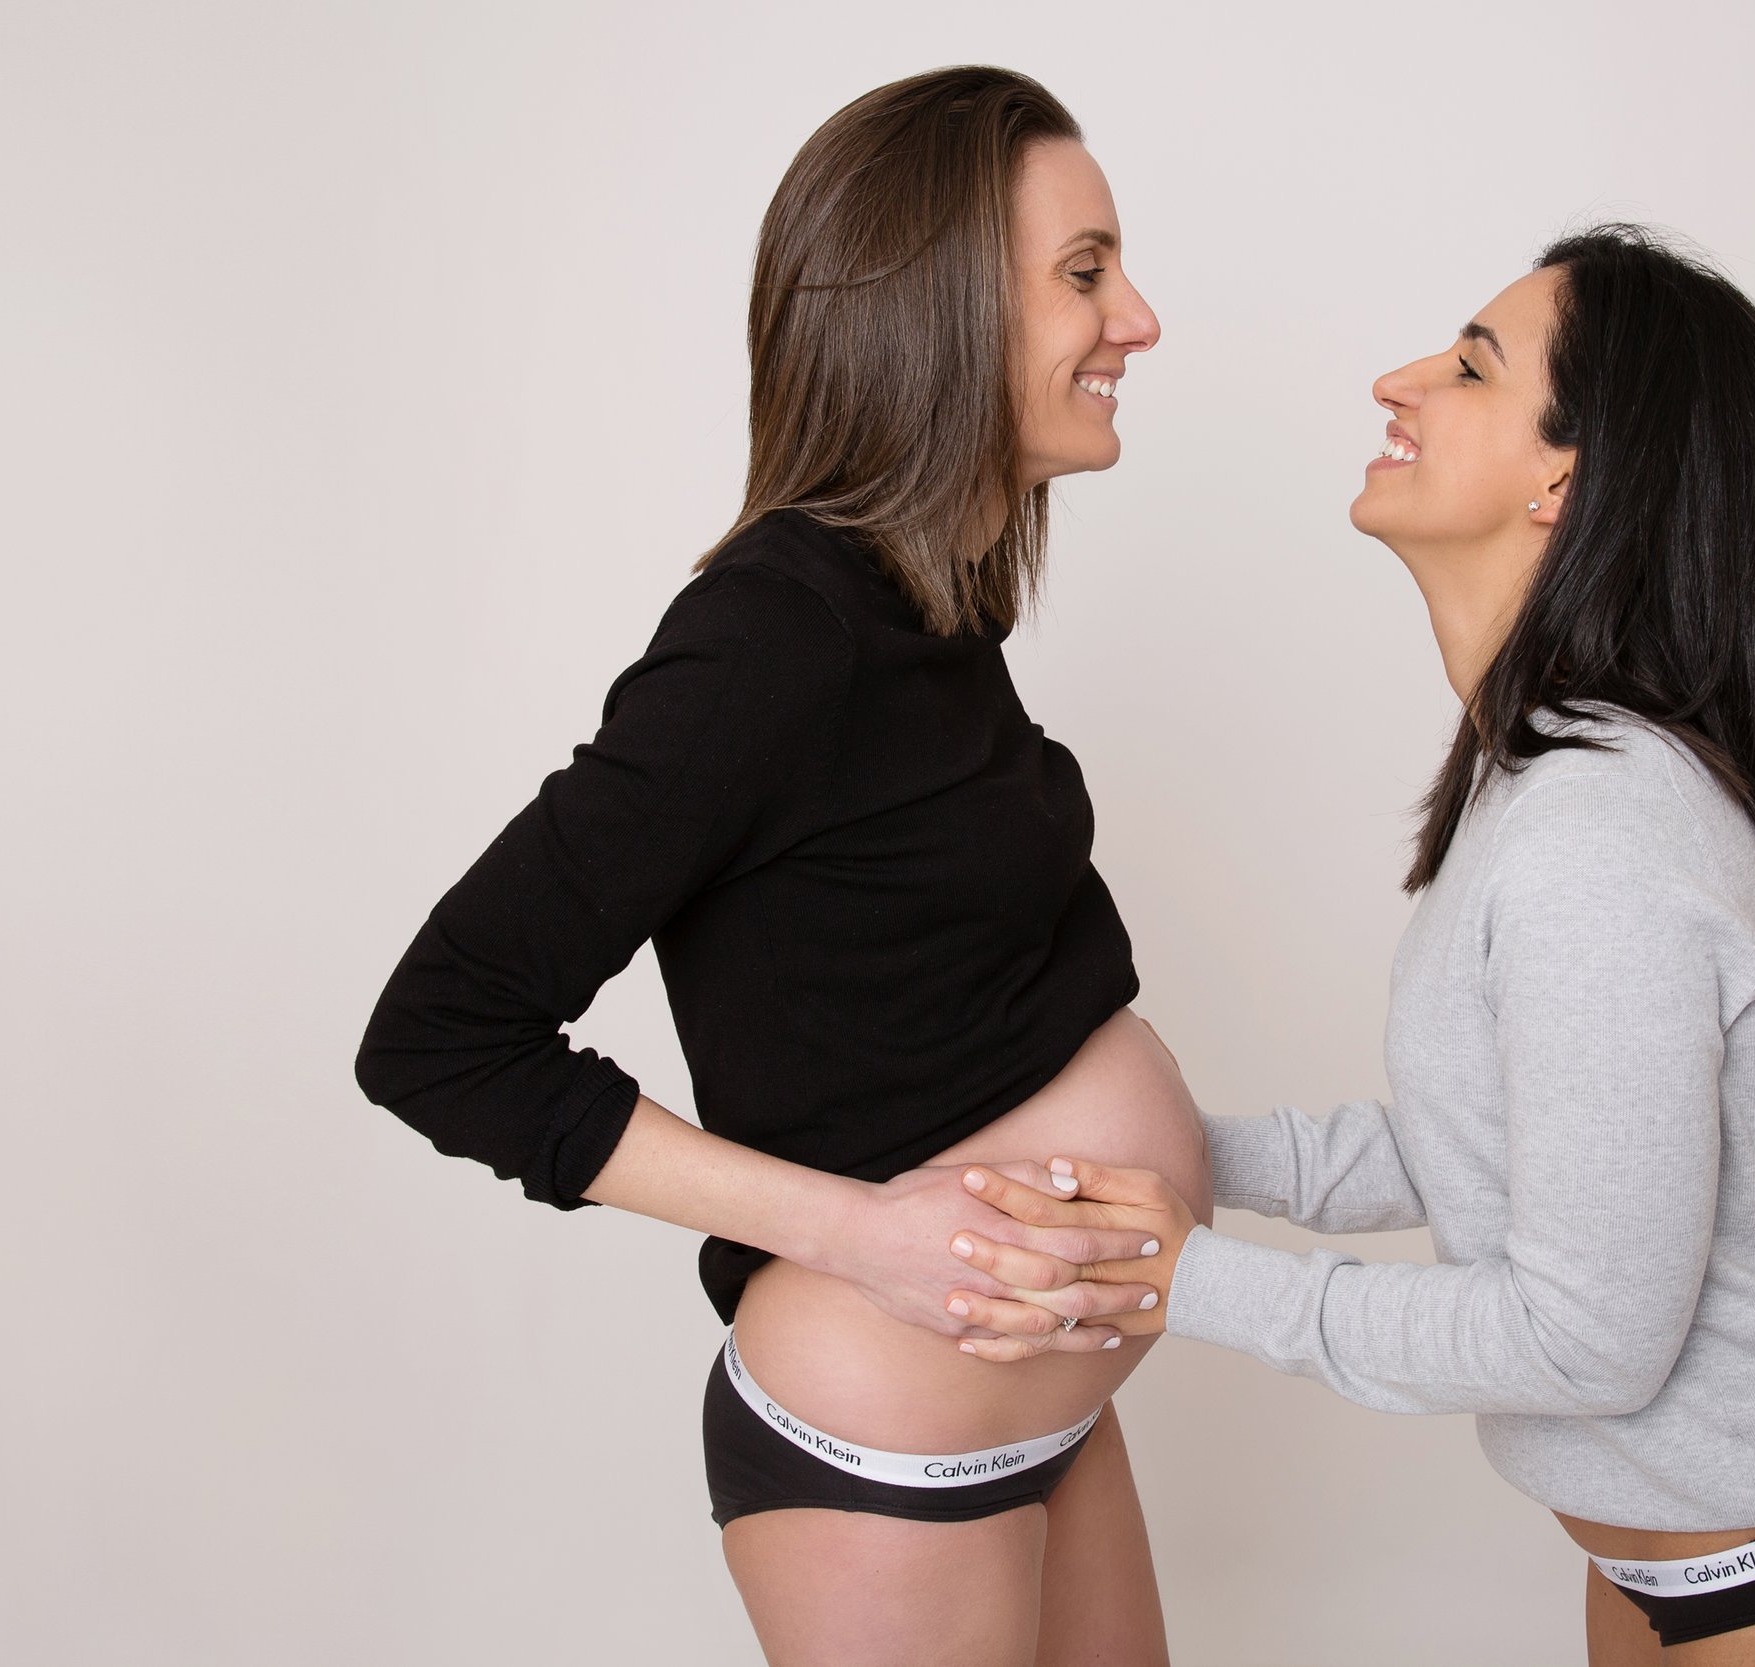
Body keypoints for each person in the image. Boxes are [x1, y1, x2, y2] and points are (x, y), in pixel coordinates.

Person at [942, 227, 1755, 1665]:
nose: (1400, 380)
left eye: (1469, 366)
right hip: (1685, 1550)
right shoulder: (1548, 778)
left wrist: (1186, 1279)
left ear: (1562, 479)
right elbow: (1518, 1144)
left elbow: (1588, 1341)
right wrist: (1184, 1157)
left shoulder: (1600, 839)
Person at [353, 66, 1206, 1667]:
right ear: (939, 306)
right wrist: (861, 1234)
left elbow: (941, 1020)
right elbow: (438, 1031)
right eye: (1084, 272)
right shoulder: (774, 633)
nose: (1137, 319)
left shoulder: (932, 603)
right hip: (886, 1443)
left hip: (1030, 1403)